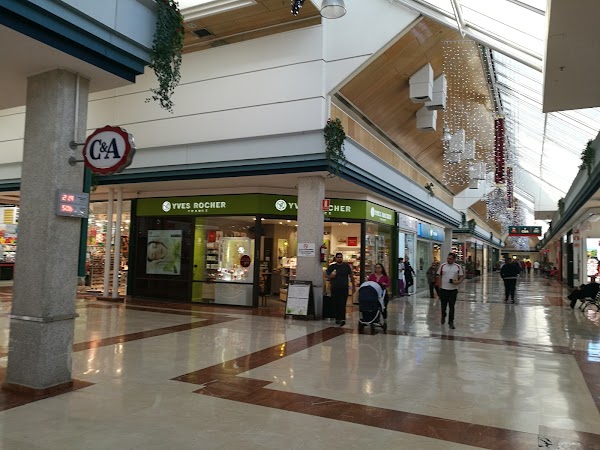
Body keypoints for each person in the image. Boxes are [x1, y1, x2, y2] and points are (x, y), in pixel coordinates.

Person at [435, 253, 464, 329]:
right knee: (443, 306)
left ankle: (451, 322)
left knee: (452, 306)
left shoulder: (457, 267)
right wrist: (439, 286)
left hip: (453, 290)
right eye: (448, 258)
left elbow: (461, 276)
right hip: (444, 289)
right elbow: (438, 276)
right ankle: (443, 315)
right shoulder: (443, 266)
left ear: (454, 259)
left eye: (450, 259)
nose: (448, 260)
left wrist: (458, 282)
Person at [326, 253, 355, 326]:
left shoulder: (346, 266)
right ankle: (337, 318)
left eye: (340, 257)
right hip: (335, 288)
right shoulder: (332, 266)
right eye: (338, 257)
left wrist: (353, 286)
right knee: (335, 303)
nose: (339, 258)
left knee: (342, 303)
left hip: (344, 288)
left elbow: (351, 276)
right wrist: (331, 276)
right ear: (335, 258)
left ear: (342, 258)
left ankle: (342, 319)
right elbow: (326, 275)